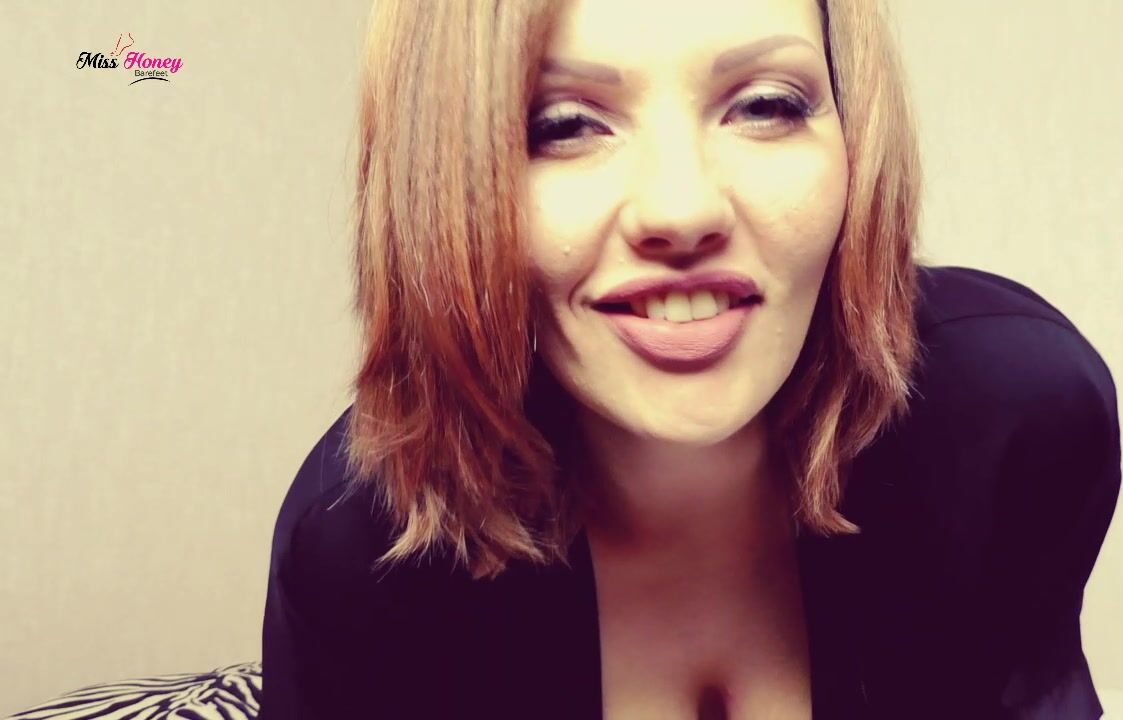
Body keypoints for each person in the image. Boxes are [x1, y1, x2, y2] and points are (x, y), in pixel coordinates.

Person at [259, 0, 1120, 718]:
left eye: (766, 105)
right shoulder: (358, 552)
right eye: (562, 124)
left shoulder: (1014, 416)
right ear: (443, 181)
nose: (681, 208)